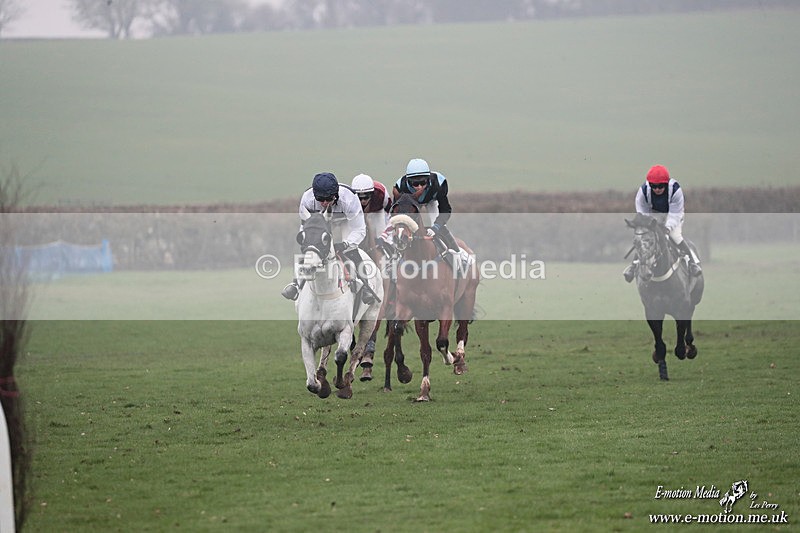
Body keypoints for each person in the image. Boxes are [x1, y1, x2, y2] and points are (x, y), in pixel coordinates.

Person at [281, 172, 378, 304]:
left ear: (336, 195)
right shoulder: (307, 200)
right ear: (315, 196)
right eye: (321, 199)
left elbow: (359, 230)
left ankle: (366, 286)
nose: (325, 203)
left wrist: (346, 244)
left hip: (346, 222)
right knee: (311, 248)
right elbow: (305, 228)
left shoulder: (349, 199)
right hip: (319, 223)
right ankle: (296, 284)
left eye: (329, 199)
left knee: (351, 250)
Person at [623, 164, 702, 282]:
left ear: (666, 183)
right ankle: (633, 266)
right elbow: (643, 214)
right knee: (644, 239)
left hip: (673, 216)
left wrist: (667, 228)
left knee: (675, 236)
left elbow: (675, 214)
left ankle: (692, 263)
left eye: (661, 186)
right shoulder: (643, 193)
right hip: (652, 217)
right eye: (654, 186)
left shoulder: (675, 190)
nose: (657, 189)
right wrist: (650, 227)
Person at [392, 158, 470, 267]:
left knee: (439, 226)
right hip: (410, 204)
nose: (419, 187)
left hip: (432, 201)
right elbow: (396, 213)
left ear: (428, 179)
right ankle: (393, 258)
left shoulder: (439, 183)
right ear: (408, 181)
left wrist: (436, 227)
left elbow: (445, 210)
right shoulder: (401, 187)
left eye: (422, 182)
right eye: (415, 183)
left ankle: (457, 253)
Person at [351, 173, 391, 259]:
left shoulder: (381, 193)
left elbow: (390, 213)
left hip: (376, 211)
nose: (363, 201)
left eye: (366, 197)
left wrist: (384, 236)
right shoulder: (349, 198)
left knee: (379, 238)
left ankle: (384, 258)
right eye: (360, 198)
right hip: (358, 214)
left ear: (372, 193)